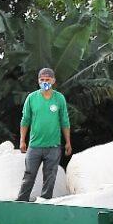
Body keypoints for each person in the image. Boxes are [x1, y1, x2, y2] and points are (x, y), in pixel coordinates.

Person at [17, 67, 72, 201]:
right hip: (35, 145)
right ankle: (21, 201)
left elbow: (64, 121)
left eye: (47, 80)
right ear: (38, 81)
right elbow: (25, 120)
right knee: (29, 175)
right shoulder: (32, 98)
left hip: (53, 146)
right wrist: (22, 140)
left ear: (53, 81)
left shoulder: (59, 98)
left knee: (50, 177)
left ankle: (45, 202)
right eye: (42, 80)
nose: (45, 82)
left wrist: (68, 142)